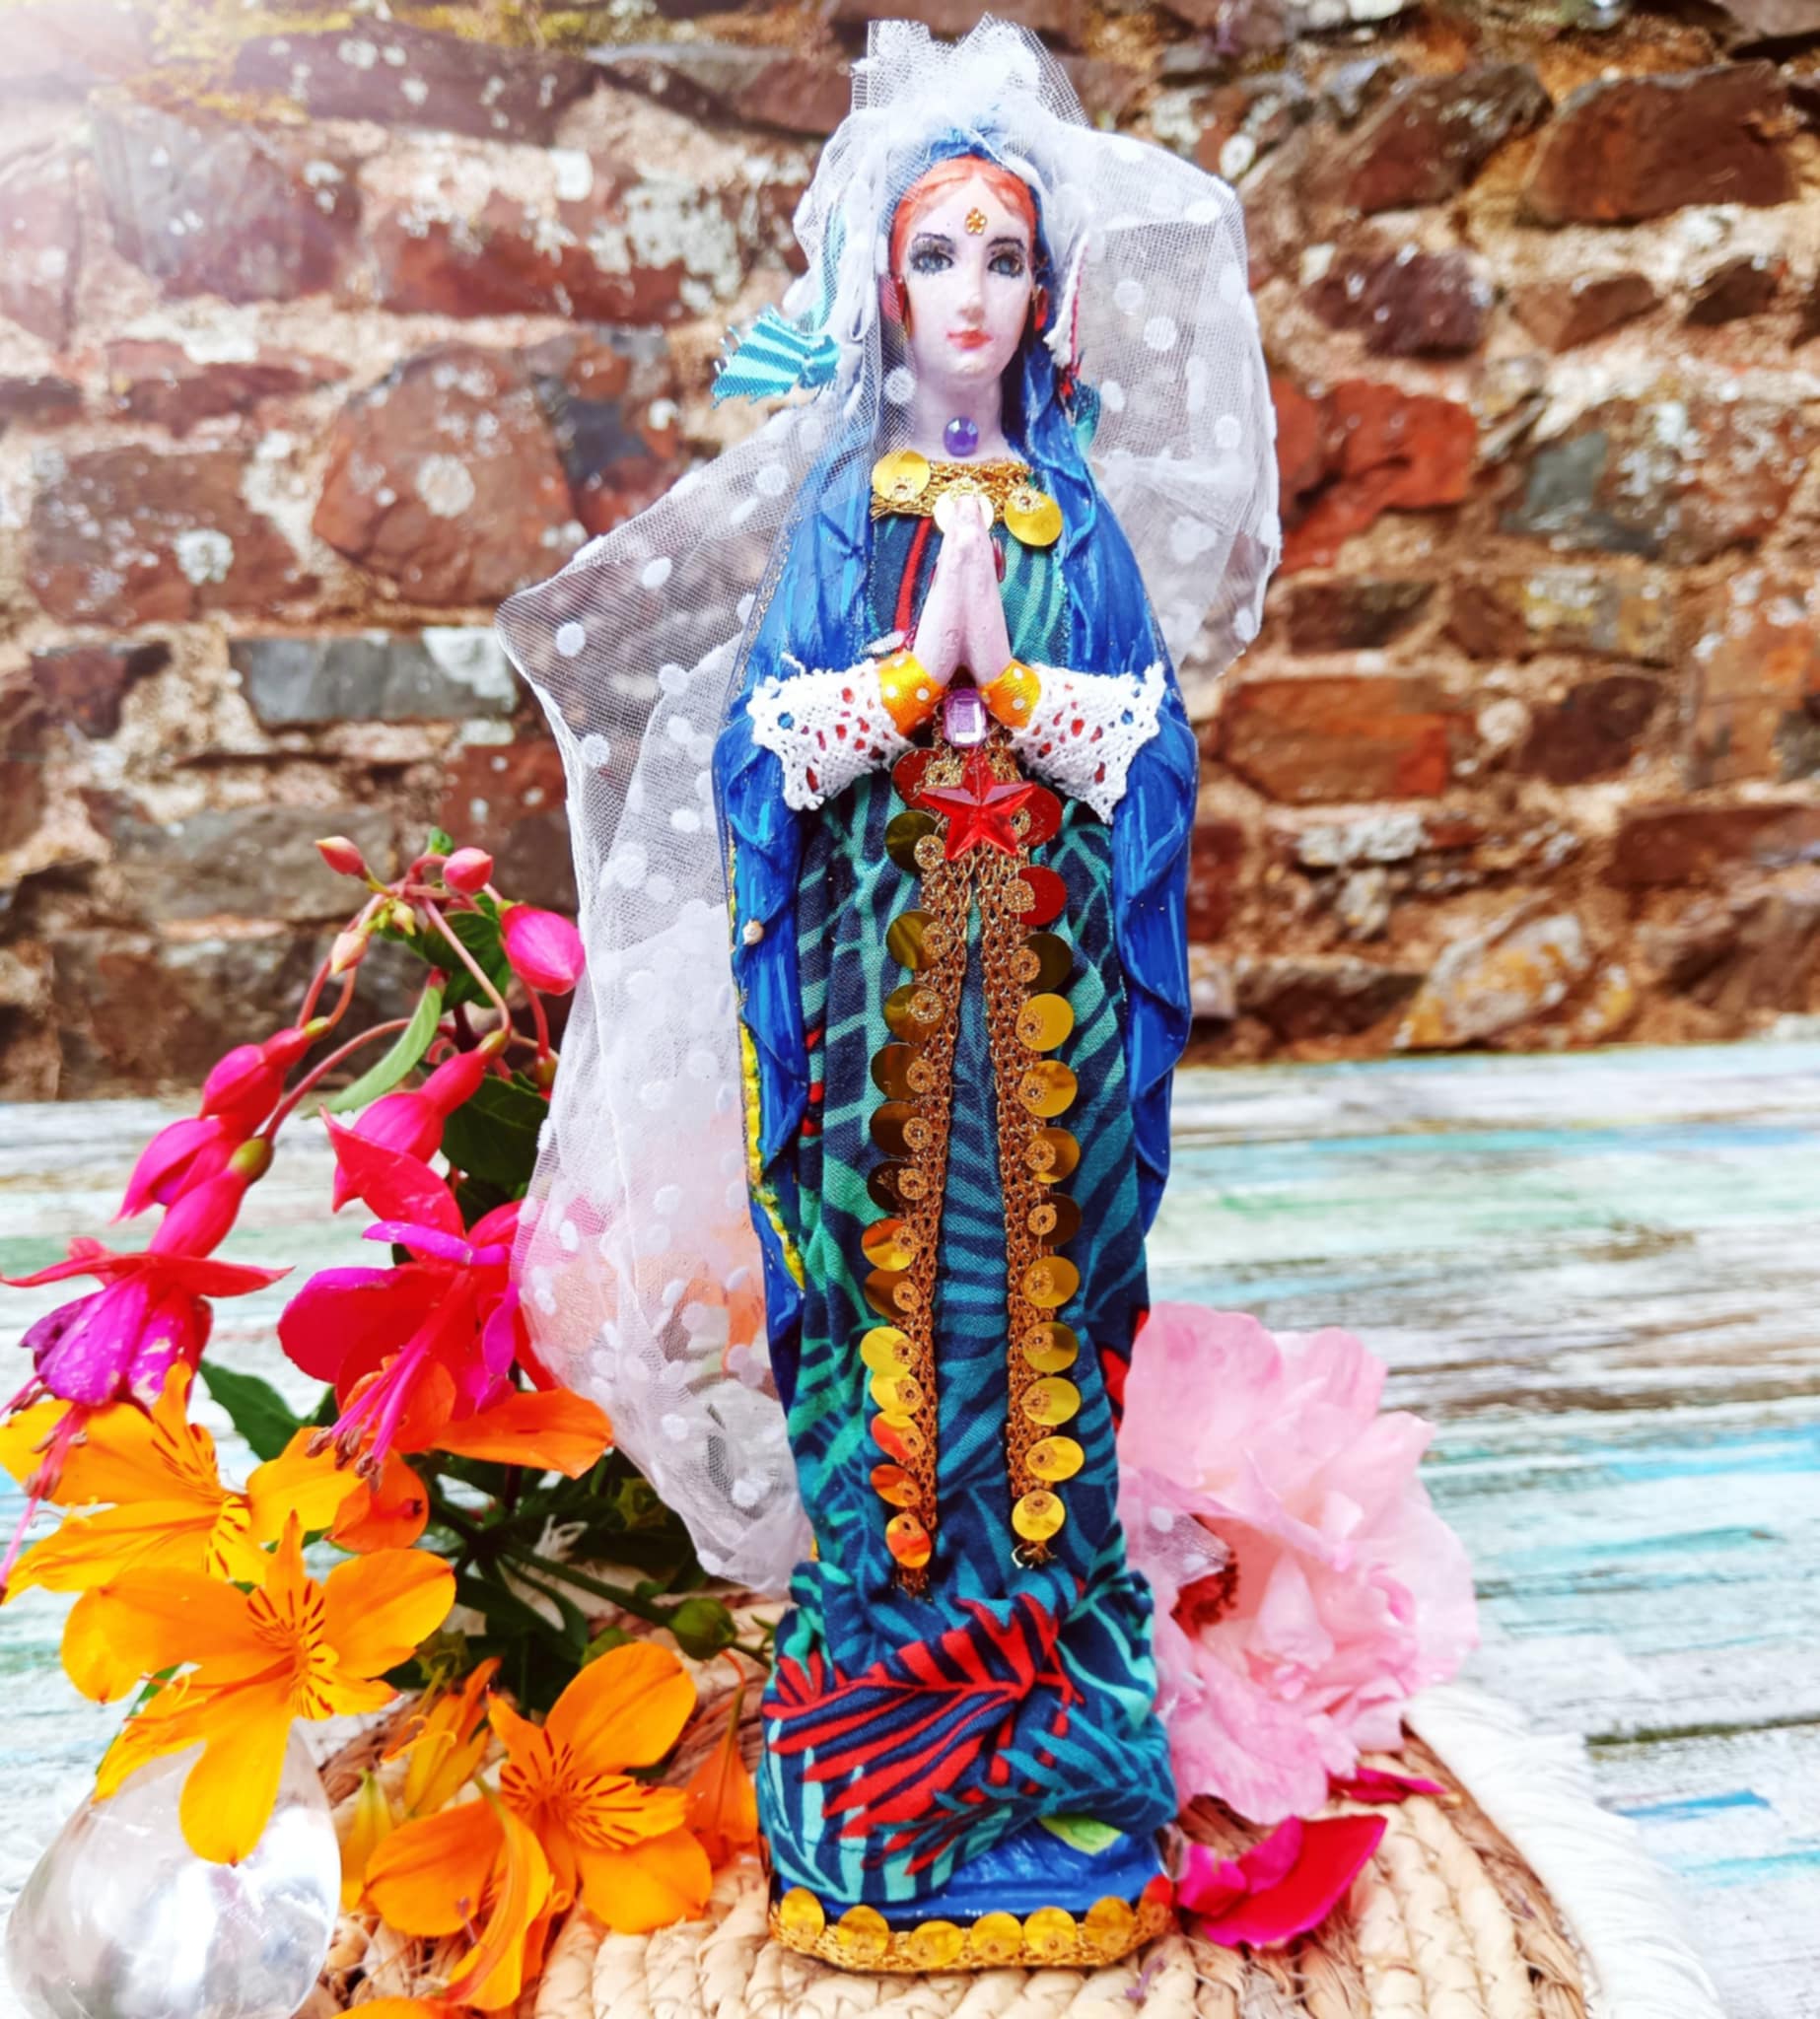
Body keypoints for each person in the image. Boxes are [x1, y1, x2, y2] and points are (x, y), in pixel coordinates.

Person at [499, 17, 1278, 1972]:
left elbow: (1148, 754)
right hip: (868, 1025)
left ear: (1046, 295)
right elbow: (761, 753)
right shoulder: (848, 515)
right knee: (878, 1346)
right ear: (882, 285)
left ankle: (1051, 1734)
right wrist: (907, 674)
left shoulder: (1071, 522)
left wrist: (1005, 677)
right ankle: (885, 1736)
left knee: (1042, 1348)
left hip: (1046, 1022)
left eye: (1003, 257)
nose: (970, 293)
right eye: (937, 255)